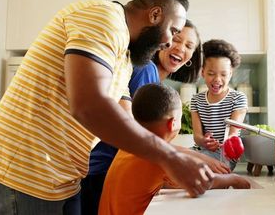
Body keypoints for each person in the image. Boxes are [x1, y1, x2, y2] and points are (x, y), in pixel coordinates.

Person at [0, 0, 214, 215]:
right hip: (24, 172)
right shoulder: (103, 19)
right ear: (154, 15)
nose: (169, 42)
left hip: (62, 178)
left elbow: (126, 119)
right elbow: (89, 105)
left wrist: (184, 157)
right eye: (172, 31)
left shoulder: (125, 57)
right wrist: (169, 157)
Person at [81, 20, 230, 215]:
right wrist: (200, 159)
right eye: (176, 39)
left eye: (189, 46)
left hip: (103, 170)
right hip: (104, 170)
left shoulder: (151, 75)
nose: (180, 48)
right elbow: (146, 138)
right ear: (163, 40)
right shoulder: (146, 71)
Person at [98, 84, 251, 215]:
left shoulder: (131, 146)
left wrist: (200, 156)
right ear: (173, 123)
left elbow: (169, 149)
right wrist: (234, 179)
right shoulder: (161, 161)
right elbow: (203, 181)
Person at [190, 39, 248, 171]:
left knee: (194, 167)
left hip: (224, 155)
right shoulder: (196, 100)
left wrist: (230, 143)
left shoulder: (238, 98)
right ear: (202, 72)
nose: (217, 79)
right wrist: (204, 141)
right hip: (200, 152)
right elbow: (197, 136)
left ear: (231, 74)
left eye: (223, 74)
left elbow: (233, 133)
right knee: (175, 158)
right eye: (211, 73)